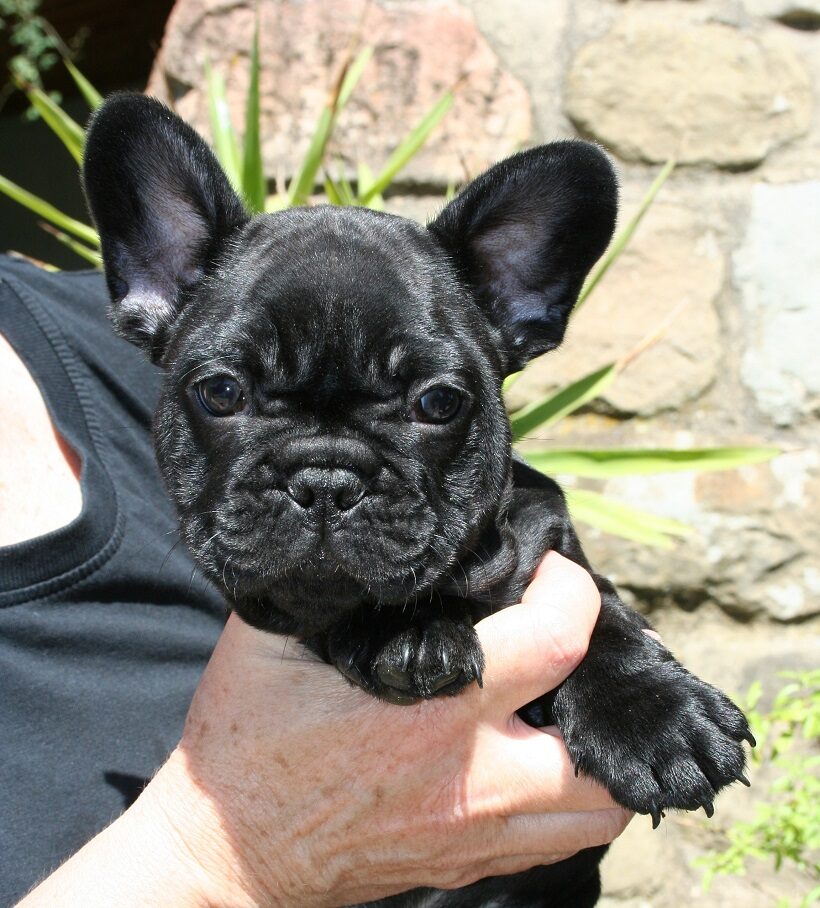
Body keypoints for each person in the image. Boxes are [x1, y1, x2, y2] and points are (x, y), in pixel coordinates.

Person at [0, 254, 631, 907]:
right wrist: (217, 858)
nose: (326, 482)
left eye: (433, 404)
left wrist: (615, 668)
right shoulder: (197, 326)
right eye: (226, 397)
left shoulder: (130, 329)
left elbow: (517, 541)